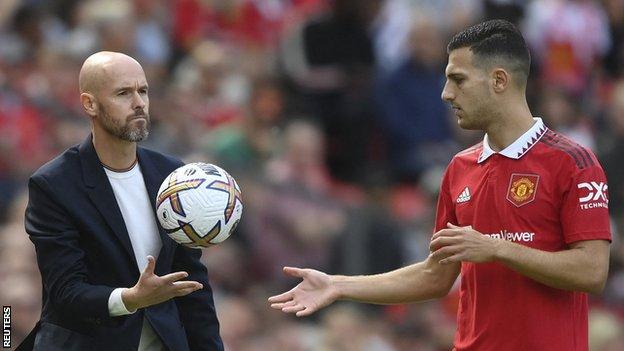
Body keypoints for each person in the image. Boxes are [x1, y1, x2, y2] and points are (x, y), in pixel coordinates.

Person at [269, 20, 611, 351]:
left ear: (499, 80)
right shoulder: (460, 167)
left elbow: (592, 270)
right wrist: (337, 284)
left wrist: (497, 249)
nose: (447, 94)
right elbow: (436, 275)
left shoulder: (574, 163)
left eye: (458, 80)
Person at [19, 52, 223, 350]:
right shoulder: (54, 185)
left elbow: (192, 283)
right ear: (89, 104)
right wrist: (130, 299)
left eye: (143, 91)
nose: (139, 102)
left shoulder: (171, 174)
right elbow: (65, 292)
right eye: (123, 93)